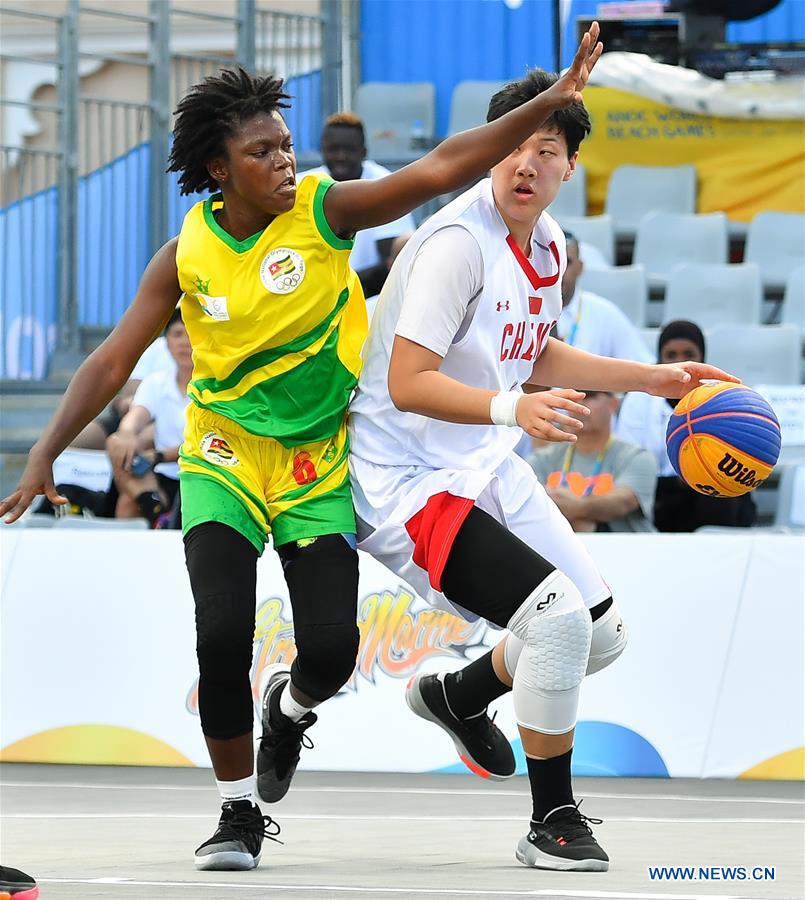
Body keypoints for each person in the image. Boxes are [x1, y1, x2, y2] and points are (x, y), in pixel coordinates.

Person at [0, 37, 613, 872]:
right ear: (218, 168)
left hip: (318, 461)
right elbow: (111, 361)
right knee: (221, 634)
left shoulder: (325, 211)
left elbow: (440, 168)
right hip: (222, 455)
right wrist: (45, 450)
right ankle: (236, 812)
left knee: (329, 652)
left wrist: (552, 100)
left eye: (286, 146)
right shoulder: (184, 255)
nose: (285, 161)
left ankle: (288, 711)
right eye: (263, 152)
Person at [346, 67, 738, 872]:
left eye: (547, 150)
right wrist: (509, 409)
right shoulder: (456, 246)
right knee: (556, 620)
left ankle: (459, 696)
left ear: (568, 168)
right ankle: (550, 820)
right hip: (403, 479)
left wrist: (650, 379)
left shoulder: (548, 243)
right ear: (488, 150)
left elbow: (530, 352)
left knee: (601, 634)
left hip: (479, 458)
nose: (526, 164)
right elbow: (408, 383)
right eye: (514, 146)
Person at [615, 320, 756, 531]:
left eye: (689, 354)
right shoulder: (637, 399)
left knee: (722, 488)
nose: (680, 362)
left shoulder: (722, 397)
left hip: (711, 488)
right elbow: (628, 461)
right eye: (671, 355)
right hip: (658, 492)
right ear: (659, 359)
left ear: (702, 358)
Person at [297, 112, 417, 291]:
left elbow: (391, 259)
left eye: (349, 149)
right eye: (334, 149)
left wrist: (342, 288)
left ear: (364, 152)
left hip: (368, 292)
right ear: (322, 149)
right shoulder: (301, 184)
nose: (341, 156)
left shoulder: (384, 184)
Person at [106, 308, 191, 525]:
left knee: (128, 500)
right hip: (161, 475)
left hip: (202, 474)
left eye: (191, 334)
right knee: (116, 442)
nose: (185, 342)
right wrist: (127, 433)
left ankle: (156, 512)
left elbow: (206, 443)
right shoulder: (156, 382)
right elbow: (136, 415)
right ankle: (156, 508)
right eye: (177, 334)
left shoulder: (217, 386)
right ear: (166, 343)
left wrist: (159, 456)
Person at [528, 390, 656, 532]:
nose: (579, 404)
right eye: (572, 398)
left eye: (590, 396)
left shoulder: (636, 456)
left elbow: (623, 502)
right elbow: (527, 500)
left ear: (613, 404)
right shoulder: (542, 458)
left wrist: (577, 507)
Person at [557, 232, 652, 363]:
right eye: (551, 261)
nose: (557, 270)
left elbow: (643, 363)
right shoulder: (527, 310)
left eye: (566, 262)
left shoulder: (603, 312)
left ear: (580, 267)